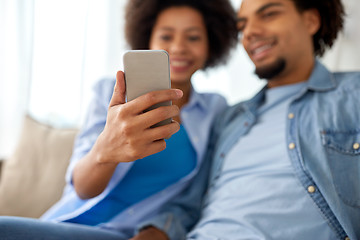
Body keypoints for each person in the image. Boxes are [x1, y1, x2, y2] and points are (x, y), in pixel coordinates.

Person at [0, 0, 237, 239]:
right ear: (147, 40)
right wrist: (105, 151)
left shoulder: (215, 110)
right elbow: (82, 189)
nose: (178, 47)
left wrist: (162, 230)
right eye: (166, 36)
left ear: (212, 43)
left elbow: (198, 197)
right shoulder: (108, 92)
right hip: (69, 225)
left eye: (193, 37)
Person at [184, 0, 360, 239]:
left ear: (311, 21)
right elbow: (188, 204)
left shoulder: (354, 94)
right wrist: (155, 231)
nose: (250, 33)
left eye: (269, 15)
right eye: (242, 25)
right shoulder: (229, 119)